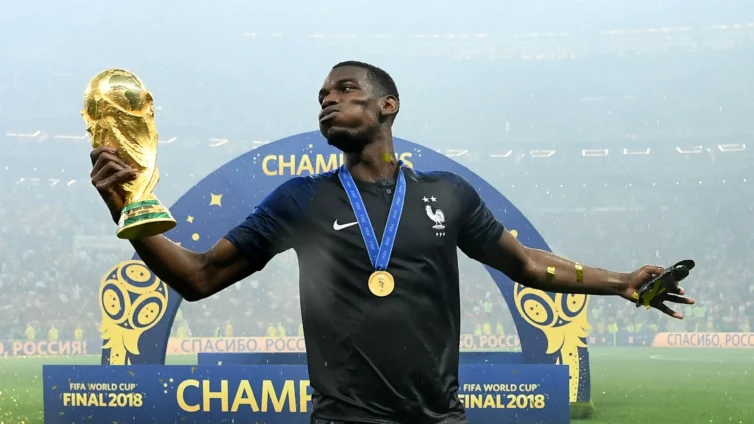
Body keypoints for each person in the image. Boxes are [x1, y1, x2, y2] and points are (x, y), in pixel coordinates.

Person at [89, 61, 695, 424]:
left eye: (344, 89)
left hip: (440, 418)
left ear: (388, 105)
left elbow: (529, 266)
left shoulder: (448, 194)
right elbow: (196, 278)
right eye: (322, 96)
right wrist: (126, 206)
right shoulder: (300, 200)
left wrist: (622, 282)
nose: (328, 99)